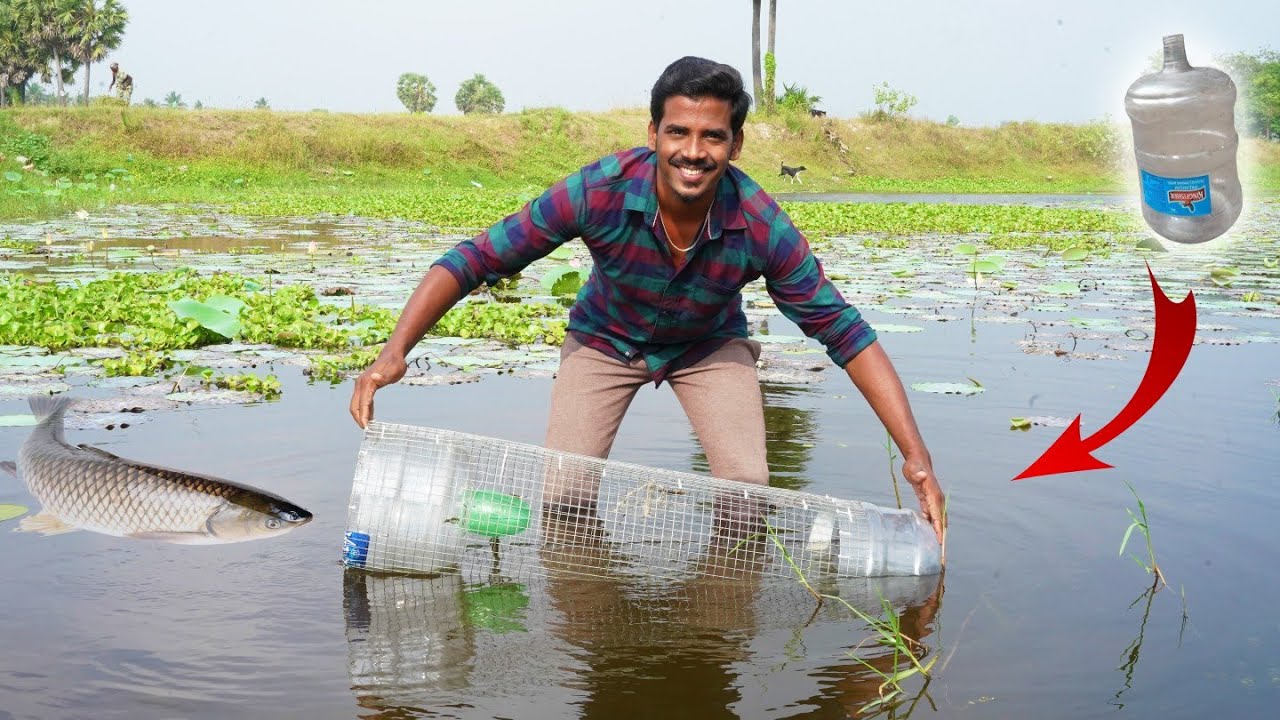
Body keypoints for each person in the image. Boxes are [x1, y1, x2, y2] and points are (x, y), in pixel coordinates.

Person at [349, 56, 946, 544]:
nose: (693, 151)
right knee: (564, 498)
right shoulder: (597, 192)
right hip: (604, 340)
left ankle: (715, 641)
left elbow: (845, 333)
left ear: (735, 145)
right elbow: (476, 258)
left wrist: (915, 458)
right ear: (653, 134)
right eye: (678, 132)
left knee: (746, 497)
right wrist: (395, 352)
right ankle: (591, 625)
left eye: (713, 135)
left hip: (709, 345)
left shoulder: (761, 222)